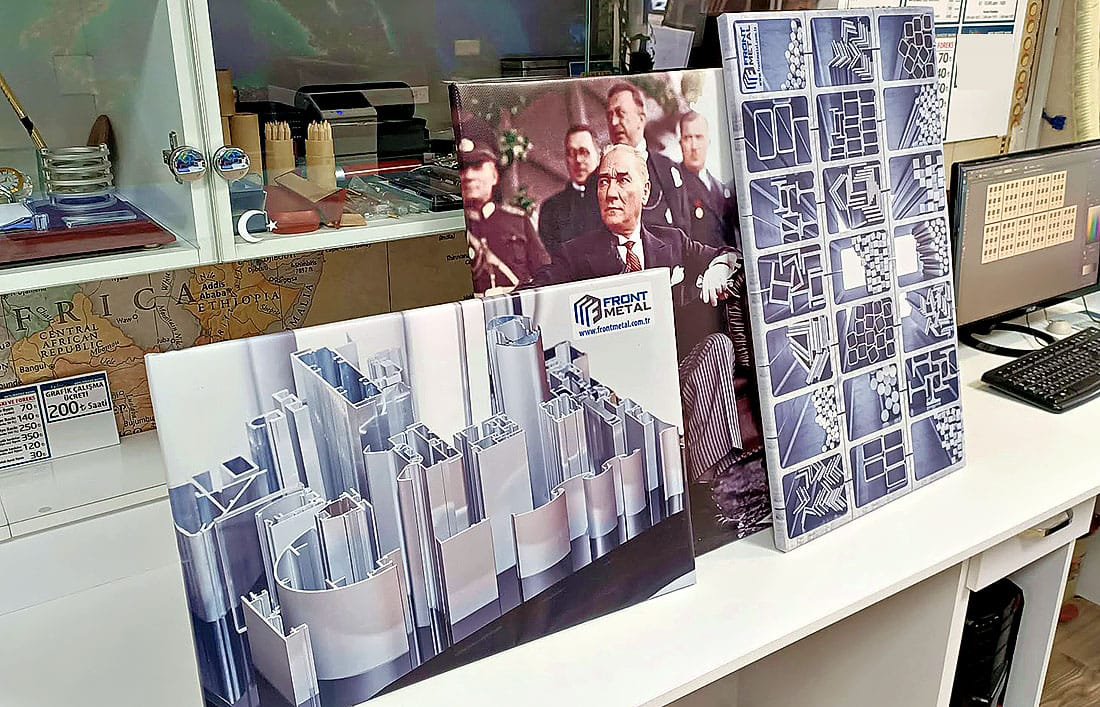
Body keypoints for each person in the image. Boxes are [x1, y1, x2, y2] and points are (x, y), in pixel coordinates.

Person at [538, 144, 737, 312]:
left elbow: (729, 255)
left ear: (645, 192)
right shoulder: (573, 256)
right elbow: (534, 293)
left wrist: (719, 267)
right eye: (604, 182)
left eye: (623, 180)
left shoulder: (674, 241)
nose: (610, 193)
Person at [460, 141, 551, 294]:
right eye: (462, 169)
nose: (468, 175)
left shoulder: (518, 222)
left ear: (494, 176)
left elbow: (546, 274)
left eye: (477, 166)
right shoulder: (451, 230)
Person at [605, 82, 690, 231]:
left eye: (620, 113)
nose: (613, 122)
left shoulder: (668, 170)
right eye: (609, 115)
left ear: (641, 119)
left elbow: (683, 229)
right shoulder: (599, 178)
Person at [678, 110, 740, 249]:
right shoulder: (675, 187)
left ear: (708, 142)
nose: (694, 146)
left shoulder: (720, 188)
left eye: (699, 137)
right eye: (688, 138)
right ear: (681, 143)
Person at [538, 125, 601, 258]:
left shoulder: (611, 199)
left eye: (584, 152)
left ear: (598, 155)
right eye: (571, 153)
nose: (578, 160)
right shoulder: (551, 209)